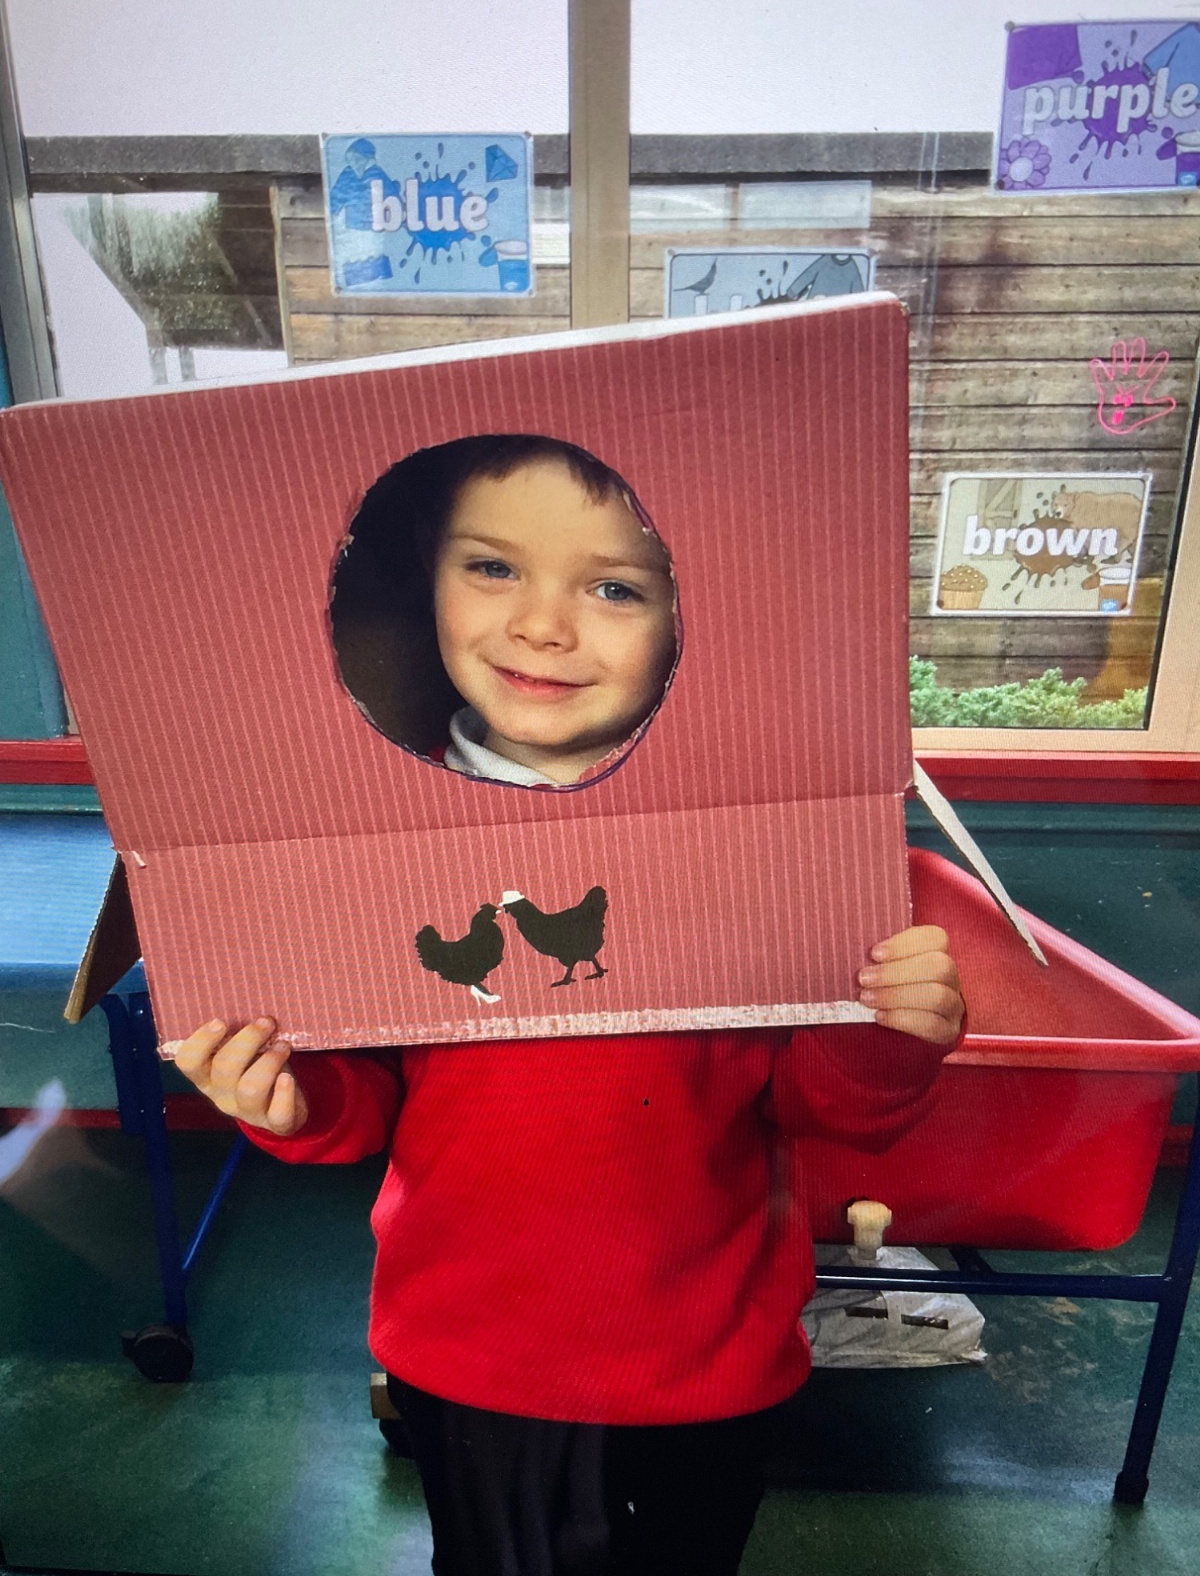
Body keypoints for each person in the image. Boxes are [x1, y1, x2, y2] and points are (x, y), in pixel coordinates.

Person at [175, 436, 965, 1576]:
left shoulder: (765, 831)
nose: (543, 625)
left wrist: (888, 1032)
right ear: (423, 573)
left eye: (614, 588)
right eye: (493, 566)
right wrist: (288, 1095)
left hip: (703, 1354)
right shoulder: (364, 829)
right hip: (476, 1355)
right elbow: (366, 1095)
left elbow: (820, 1104)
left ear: (693, 619)